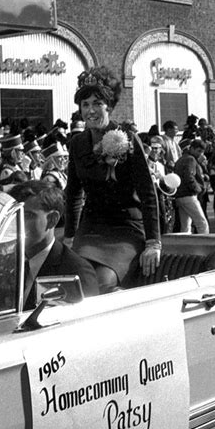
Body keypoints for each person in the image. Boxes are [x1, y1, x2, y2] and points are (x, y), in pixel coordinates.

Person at [64, 66, 160, 293]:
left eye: (97, 104)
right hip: (91, 228)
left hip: (126, 228)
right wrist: (69, 236)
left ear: (109, 106)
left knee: (102, 282)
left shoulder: (128, 138)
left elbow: (148, 193)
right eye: (85, 105)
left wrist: (153, 242)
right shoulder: (77, 143)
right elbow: (73, 194)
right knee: (72, 280)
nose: (91, 111)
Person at [8, 181, 99, 308]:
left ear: (52, 220)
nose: (16, 222)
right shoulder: (5, 262)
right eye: (13, 216)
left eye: (27, 215)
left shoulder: (76, 272)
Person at [173, 138, 210, 234]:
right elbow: (189, 177)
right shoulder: (191, 159)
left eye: (202, 152)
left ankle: (185, 247)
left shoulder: (181, 159)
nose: (200, 154)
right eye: (198, 151)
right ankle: (205, 245)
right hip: (189, 195)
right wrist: (198, 189)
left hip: (179, 195)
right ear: (192, 148)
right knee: (202, 224)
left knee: (185, 226)